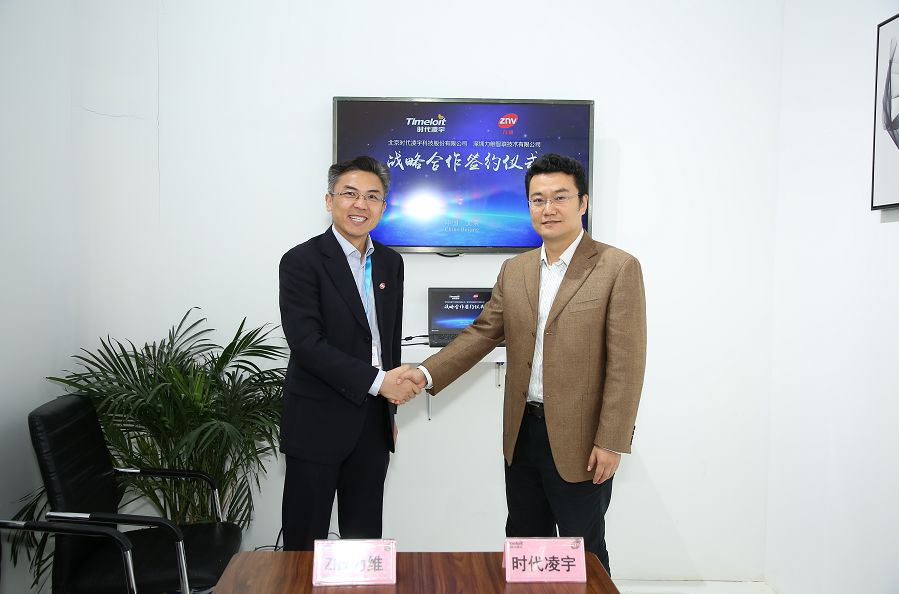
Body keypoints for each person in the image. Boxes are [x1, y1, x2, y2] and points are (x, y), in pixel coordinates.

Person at [399, 153, 646, 574]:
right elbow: (482, 333)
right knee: (526, 548)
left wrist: (611, 440)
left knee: (583, 552)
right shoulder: (515, 270)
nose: (548, 208)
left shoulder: (617, 267)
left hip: (583, 440)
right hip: (523, 433)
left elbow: (627, 363)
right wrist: (424, 373)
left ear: (583, 203)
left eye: (560, 197)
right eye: (538, 199)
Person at [279, 155, 420, 551]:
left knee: (364, 541)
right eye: (350, 194)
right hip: (316, 422)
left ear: (383, 207)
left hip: (372, 424)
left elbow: (387, 340)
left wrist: (388, 411)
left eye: (372, 196)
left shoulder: (390, 263)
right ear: (329, 201)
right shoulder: (301, 262)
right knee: (304, 546)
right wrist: (380, 384)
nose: (361, 204)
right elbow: (307, 345)